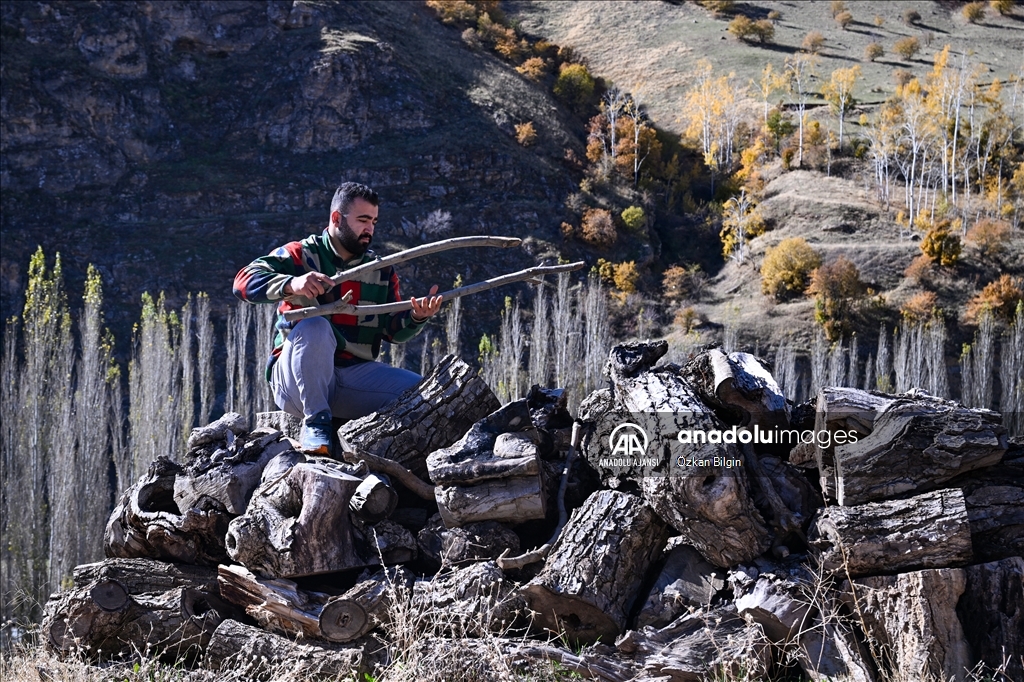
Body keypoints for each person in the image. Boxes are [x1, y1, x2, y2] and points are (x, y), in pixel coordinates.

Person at [233, 182, 442, 454]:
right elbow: (242, 282)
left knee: (424, 395)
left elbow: (394, 331)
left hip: (352, 378)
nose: (370, 230)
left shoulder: (380, 270)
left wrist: (416, 316)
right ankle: (316, 425)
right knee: (315, 327)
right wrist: (292, 284)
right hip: (295, 383)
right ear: (336, 218)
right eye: (363, 220)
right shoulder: (299, 254)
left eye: (374, 222)